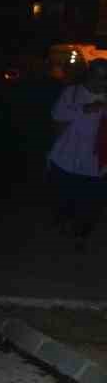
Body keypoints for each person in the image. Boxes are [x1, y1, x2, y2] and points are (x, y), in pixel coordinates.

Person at [46, 58, 107, 244]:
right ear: (89, 75)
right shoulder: (71, 93)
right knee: (65, 199)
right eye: (98, 77)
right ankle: (63, 221)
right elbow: (56, 119)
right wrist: (85, 109)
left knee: (91, 203)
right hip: (66, 159)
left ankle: (81, 234)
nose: (101, 82)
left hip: (96, 164)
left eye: (105, 78)